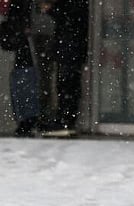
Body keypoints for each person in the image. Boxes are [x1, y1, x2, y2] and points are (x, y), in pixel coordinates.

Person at [39, 0, 88, 137]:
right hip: (71, 46)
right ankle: (66, 119)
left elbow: (69, 17)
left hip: (70, 46)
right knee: (68, 84)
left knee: (66, 84)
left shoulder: (71, 8)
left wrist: (51, 10)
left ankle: (65, 119)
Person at [0, 0, 41, 137]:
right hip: (20, 38)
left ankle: (27, 118)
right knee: (25, 79)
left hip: (20, 38)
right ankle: (28, 118)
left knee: (23, 79)